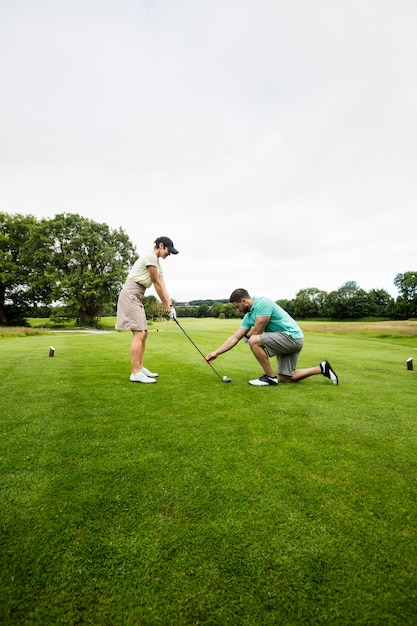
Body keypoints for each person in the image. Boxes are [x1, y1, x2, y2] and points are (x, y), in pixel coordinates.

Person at [206, 288, 338, 387]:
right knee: (286, 378)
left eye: (237, 306)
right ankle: (322, 368)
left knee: (253, 340)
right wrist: (216, 353)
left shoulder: (263, 303)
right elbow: (235, 338)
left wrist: (247, 334)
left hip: (292, 338)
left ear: (244, 301)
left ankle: (270, 377)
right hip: (286, 340)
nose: (237, 310)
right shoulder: (248, 316)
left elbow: (258, 331)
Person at [116, 236, 178, 383]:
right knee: (139, 333)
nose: (169, 254)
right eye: (168, 251)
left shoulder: (157, 263)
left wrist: (170, 305)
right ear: (161, 246)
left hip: (137, 296)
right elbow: (156, 283)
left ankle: (140, 367)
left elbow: (162, 285)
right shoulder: (150, 256)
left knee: (144, 333)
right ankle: (135, 373)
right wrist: (164, 304)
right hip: (131, 294)